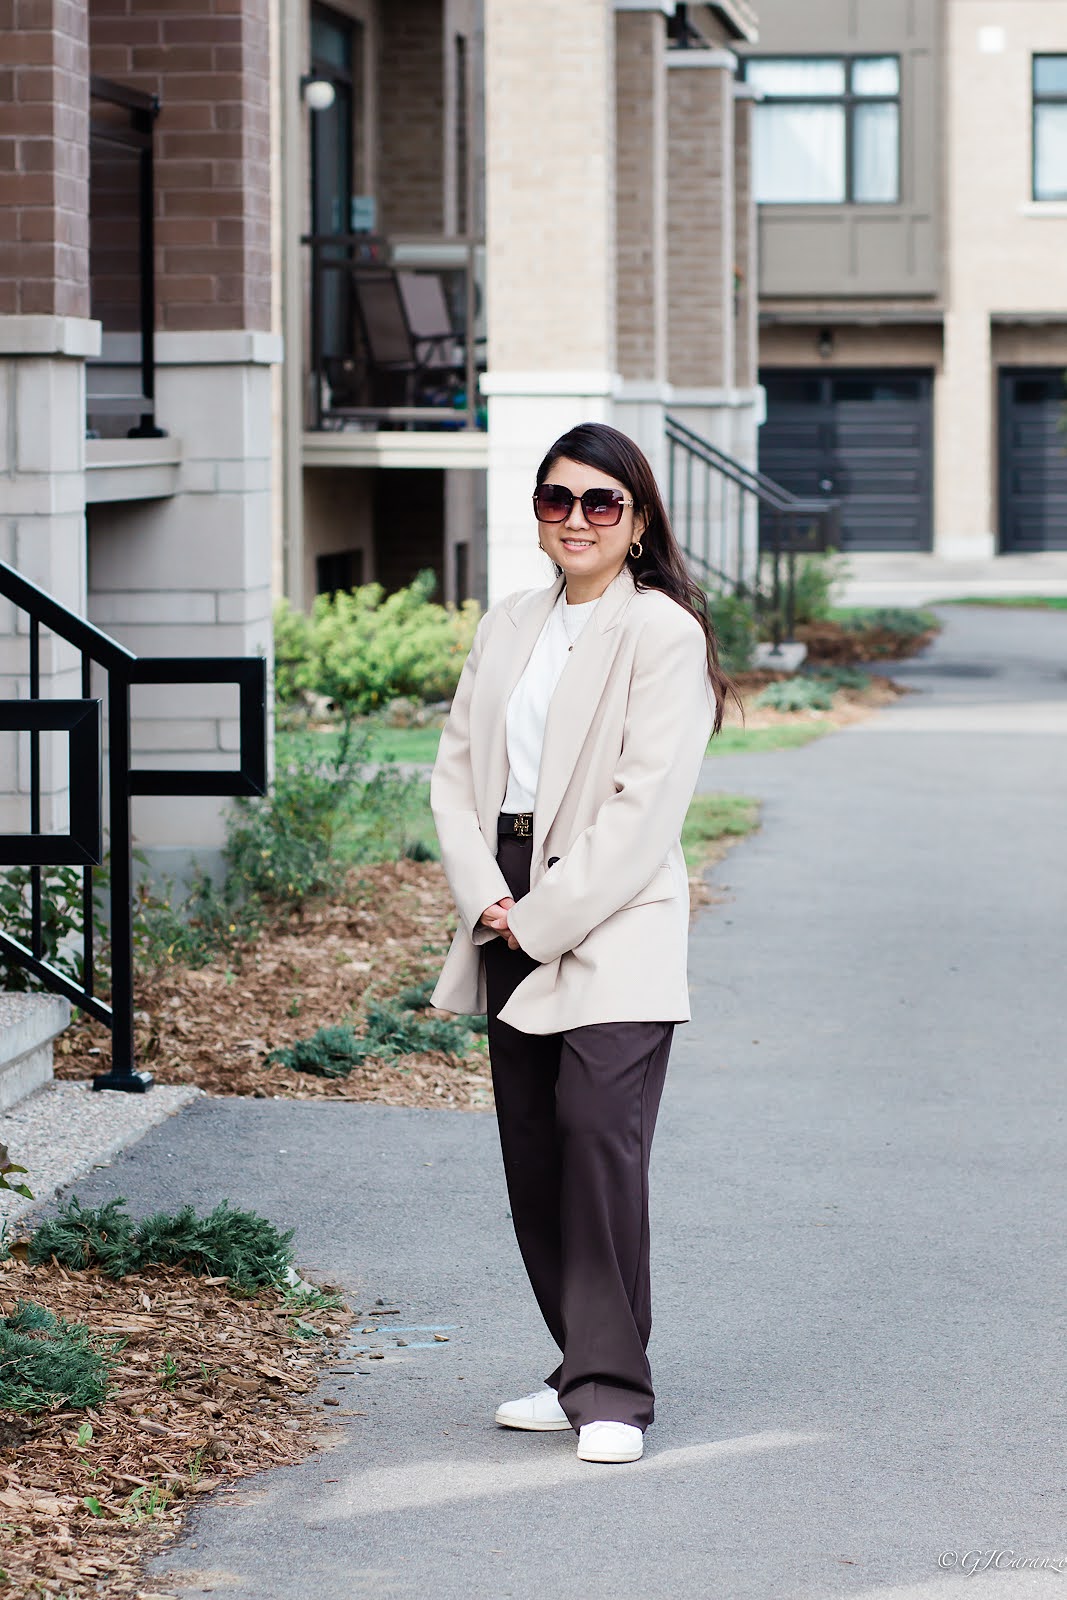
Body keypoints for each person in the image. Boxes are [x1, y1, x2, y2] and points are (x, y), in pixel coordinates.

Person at [429, 421, 737, 1464]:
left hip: (611, 915)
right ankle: (577, 1363)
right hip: (504, 904)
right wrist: (486, 898)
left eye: (599, 503)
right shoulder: (507, 622)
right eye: (555, 500)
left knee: (596, 1131)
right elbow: (453, 773)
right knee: (534, 1149)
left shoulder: (662, 634)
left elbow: (641, 809)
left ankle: (611, 1389)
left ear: (637, 519)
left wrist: (543, 915)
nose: (575, 520)